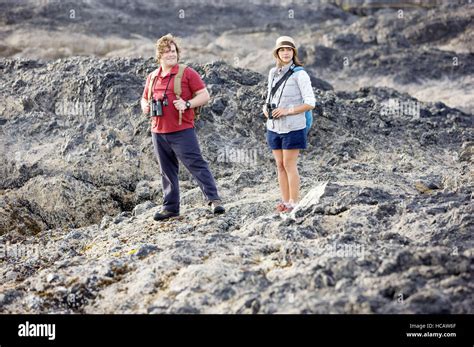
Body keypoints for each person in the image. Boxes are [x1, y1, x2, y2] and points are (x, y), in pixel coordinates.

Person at [141, 34, 225, 221]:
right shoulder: (152, 76)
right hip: (158, 131)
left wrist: (187, 104)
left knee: (196, 164)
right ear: (159, 55)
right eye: (167, 51)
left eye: (173, 51)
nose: (171, 54)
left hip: (182, 130)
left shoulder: (187, 72)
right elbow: (144, 97)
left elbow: (204, 95)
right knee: (167, 170)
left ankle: (214, 200)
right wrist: (145, 106)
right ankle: (170, 208)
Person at [263, 36, 316, 213]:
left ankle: (294, 202)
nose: (285, 53)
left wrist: (287, 110)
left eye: (289, 49)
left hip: (293, 127)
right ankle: (285, 201)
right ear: (277, 53)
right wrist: (265, 108)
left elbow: (310, 103)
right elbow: (270, 97)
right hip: (274, 127)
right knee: (279, 164)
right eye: (282, 50)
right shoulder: (273, 73)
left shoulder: (300, 74)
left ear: (293, 52)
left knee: (289, 164)